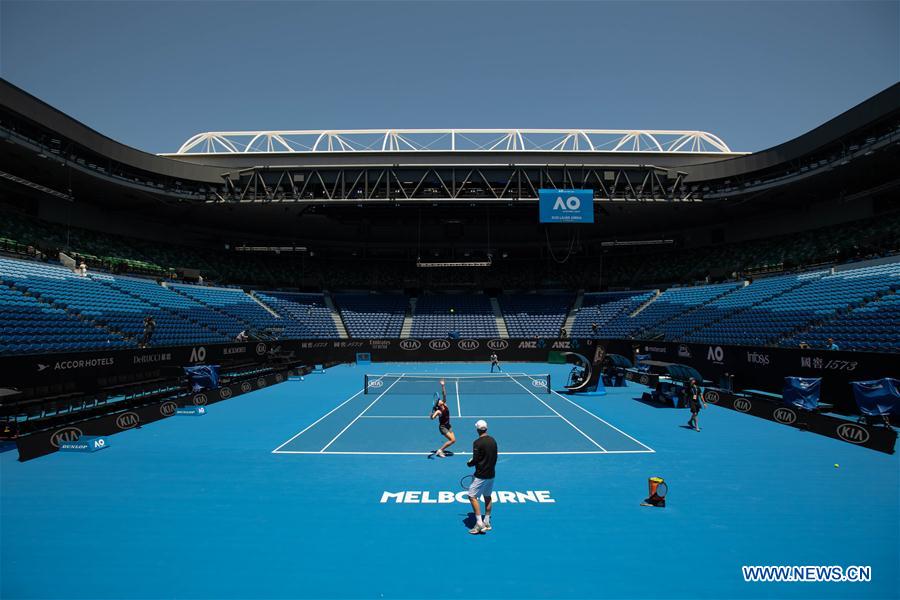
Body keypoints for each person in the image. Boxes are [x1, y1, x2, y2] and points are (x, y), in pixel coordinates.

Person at [466, 419, 498, 534]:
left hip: (481, 475)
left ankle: (479, 523)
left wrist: (469, 463)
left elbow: (475, 460)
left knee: (472, 496)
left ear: (477, 430)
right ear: (486, 429)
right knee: (487, 496)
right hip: (491, 474)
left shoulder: (477, 443)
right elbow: (493, 457)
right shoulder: (493, 441)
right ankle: (487, 522)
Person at [429, 380, 455, 458]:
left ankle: (440, 450)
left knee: (454, 440)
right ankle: (440, 451)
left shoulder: (444, 403)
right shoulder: (438, 411)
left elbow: (444, 394)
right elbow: (433, 418)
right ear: (439, 404)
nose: (440, 400)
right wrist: (431, 415)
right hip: (443, 427)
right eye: (439, 401)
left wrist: (443, 385)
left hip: (448, 425)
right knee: (452, 440)